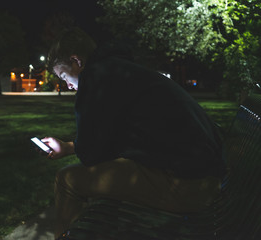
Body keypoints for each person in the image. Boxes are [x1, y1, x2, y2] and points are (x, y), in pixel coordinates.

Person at [41, 27, 226, 238]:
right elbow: (110, 139)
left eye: (64, 75)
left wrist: (80, 147)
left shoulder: (96, 77)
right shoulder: (120, 70)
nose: (67, 85)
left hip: (188, 186)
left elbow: (91, 156)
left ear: (77, 61)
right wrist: (67, 147)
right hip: (205, 176)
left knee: (67, 180)